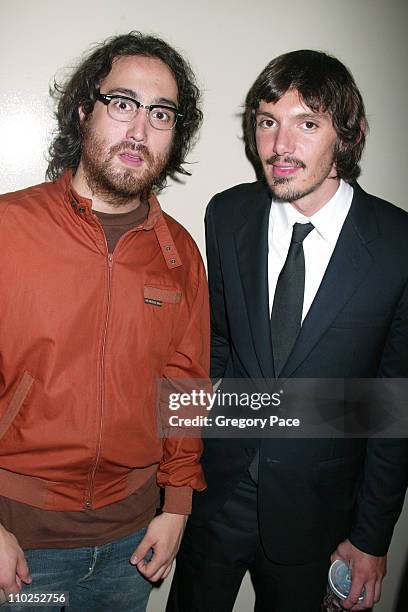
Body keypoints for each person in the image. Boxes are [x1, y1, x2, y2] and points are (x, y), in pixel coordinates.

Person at [167, 50, 408, 612]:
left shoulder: (397, 243)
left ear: (347, 135)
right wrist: (177, 484)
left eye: (307, 123)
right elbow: (218, 348)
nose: (280, 146)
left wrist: (372, 537)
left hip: (319, 513)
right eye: (267, 121)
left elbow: (392, 404)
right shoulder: (226, 215)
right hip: (218, 492)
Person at [0, 31, 209, 612]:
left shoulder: (180, 253)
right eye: (122, 104)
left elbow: (186, 389)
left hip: (131, 544)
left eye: (160, 113)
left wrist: (176, 508)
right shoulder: (8, 229)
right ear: (83, 110)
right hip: (19, 543)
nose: (139, 131)